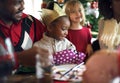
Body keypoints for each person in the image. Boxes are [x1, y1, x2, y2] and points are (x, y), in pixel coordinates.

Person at [0, 0, 49, 74]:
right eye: (17, 2)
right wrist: (18, 58)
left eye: (23, 1)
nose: (23, 7)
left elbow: (50, 42)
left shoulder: (31, 23)